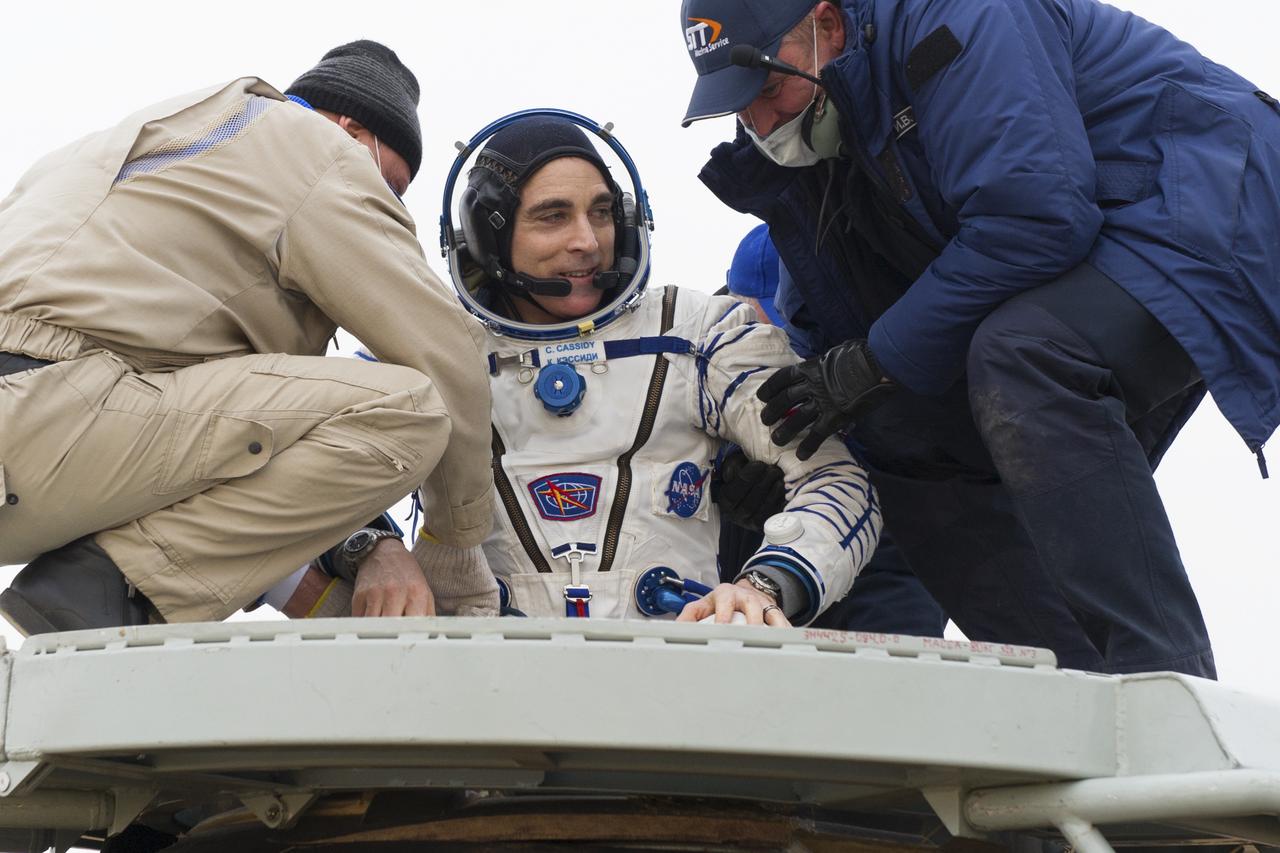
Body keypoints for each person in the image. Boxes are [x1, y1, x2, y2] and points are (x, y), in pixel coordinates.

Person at [680, 0, 1280, 676]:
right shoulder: (830, 132)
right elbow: (830, 334)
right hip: (1088, 253)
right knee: (889, 428)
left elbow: (1036, 219)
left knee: (1024, 356)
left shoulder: (962, 14)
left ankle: (1166, 681)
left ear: (827, 24)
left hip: (1214, 200)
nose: (760, 124)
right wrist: (774, 460)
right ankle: (1081, 688)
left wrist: (874, 363)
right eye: (738, 107)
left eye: (766, 88)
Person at [274, 111, 881, 626]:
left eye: (600, 212)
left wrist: (764, 589)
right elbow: (295, 468)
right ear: (491, 235)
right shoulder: (423, 348)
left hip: (679, 673)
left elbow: (840, 485)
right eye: (552, 216)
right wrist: (373, 547)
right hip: (483, 688)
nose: (587, 241)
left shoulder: (699, 333)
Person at [0, 41, 494, 635]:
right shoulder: (317, 151)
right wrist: (454, 547)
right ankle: (99, 587)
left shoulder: (145, 145)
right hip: (46, 416)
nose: (385, 207)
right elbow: (446, 355)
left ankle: (101, 584)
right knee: (405, 409)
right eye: (389, 185)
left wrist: (365, 554)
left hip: (48, 428)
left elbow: (237, 445)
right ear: (353, 129)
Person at [719, 224, 947, 636]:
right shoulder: (703, 360)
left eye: (797, 322)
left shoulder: (875, 352)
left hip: (884, 541)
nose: (787, 339)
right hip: (739, 591)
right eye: (770, 318)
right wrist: (726, 471)